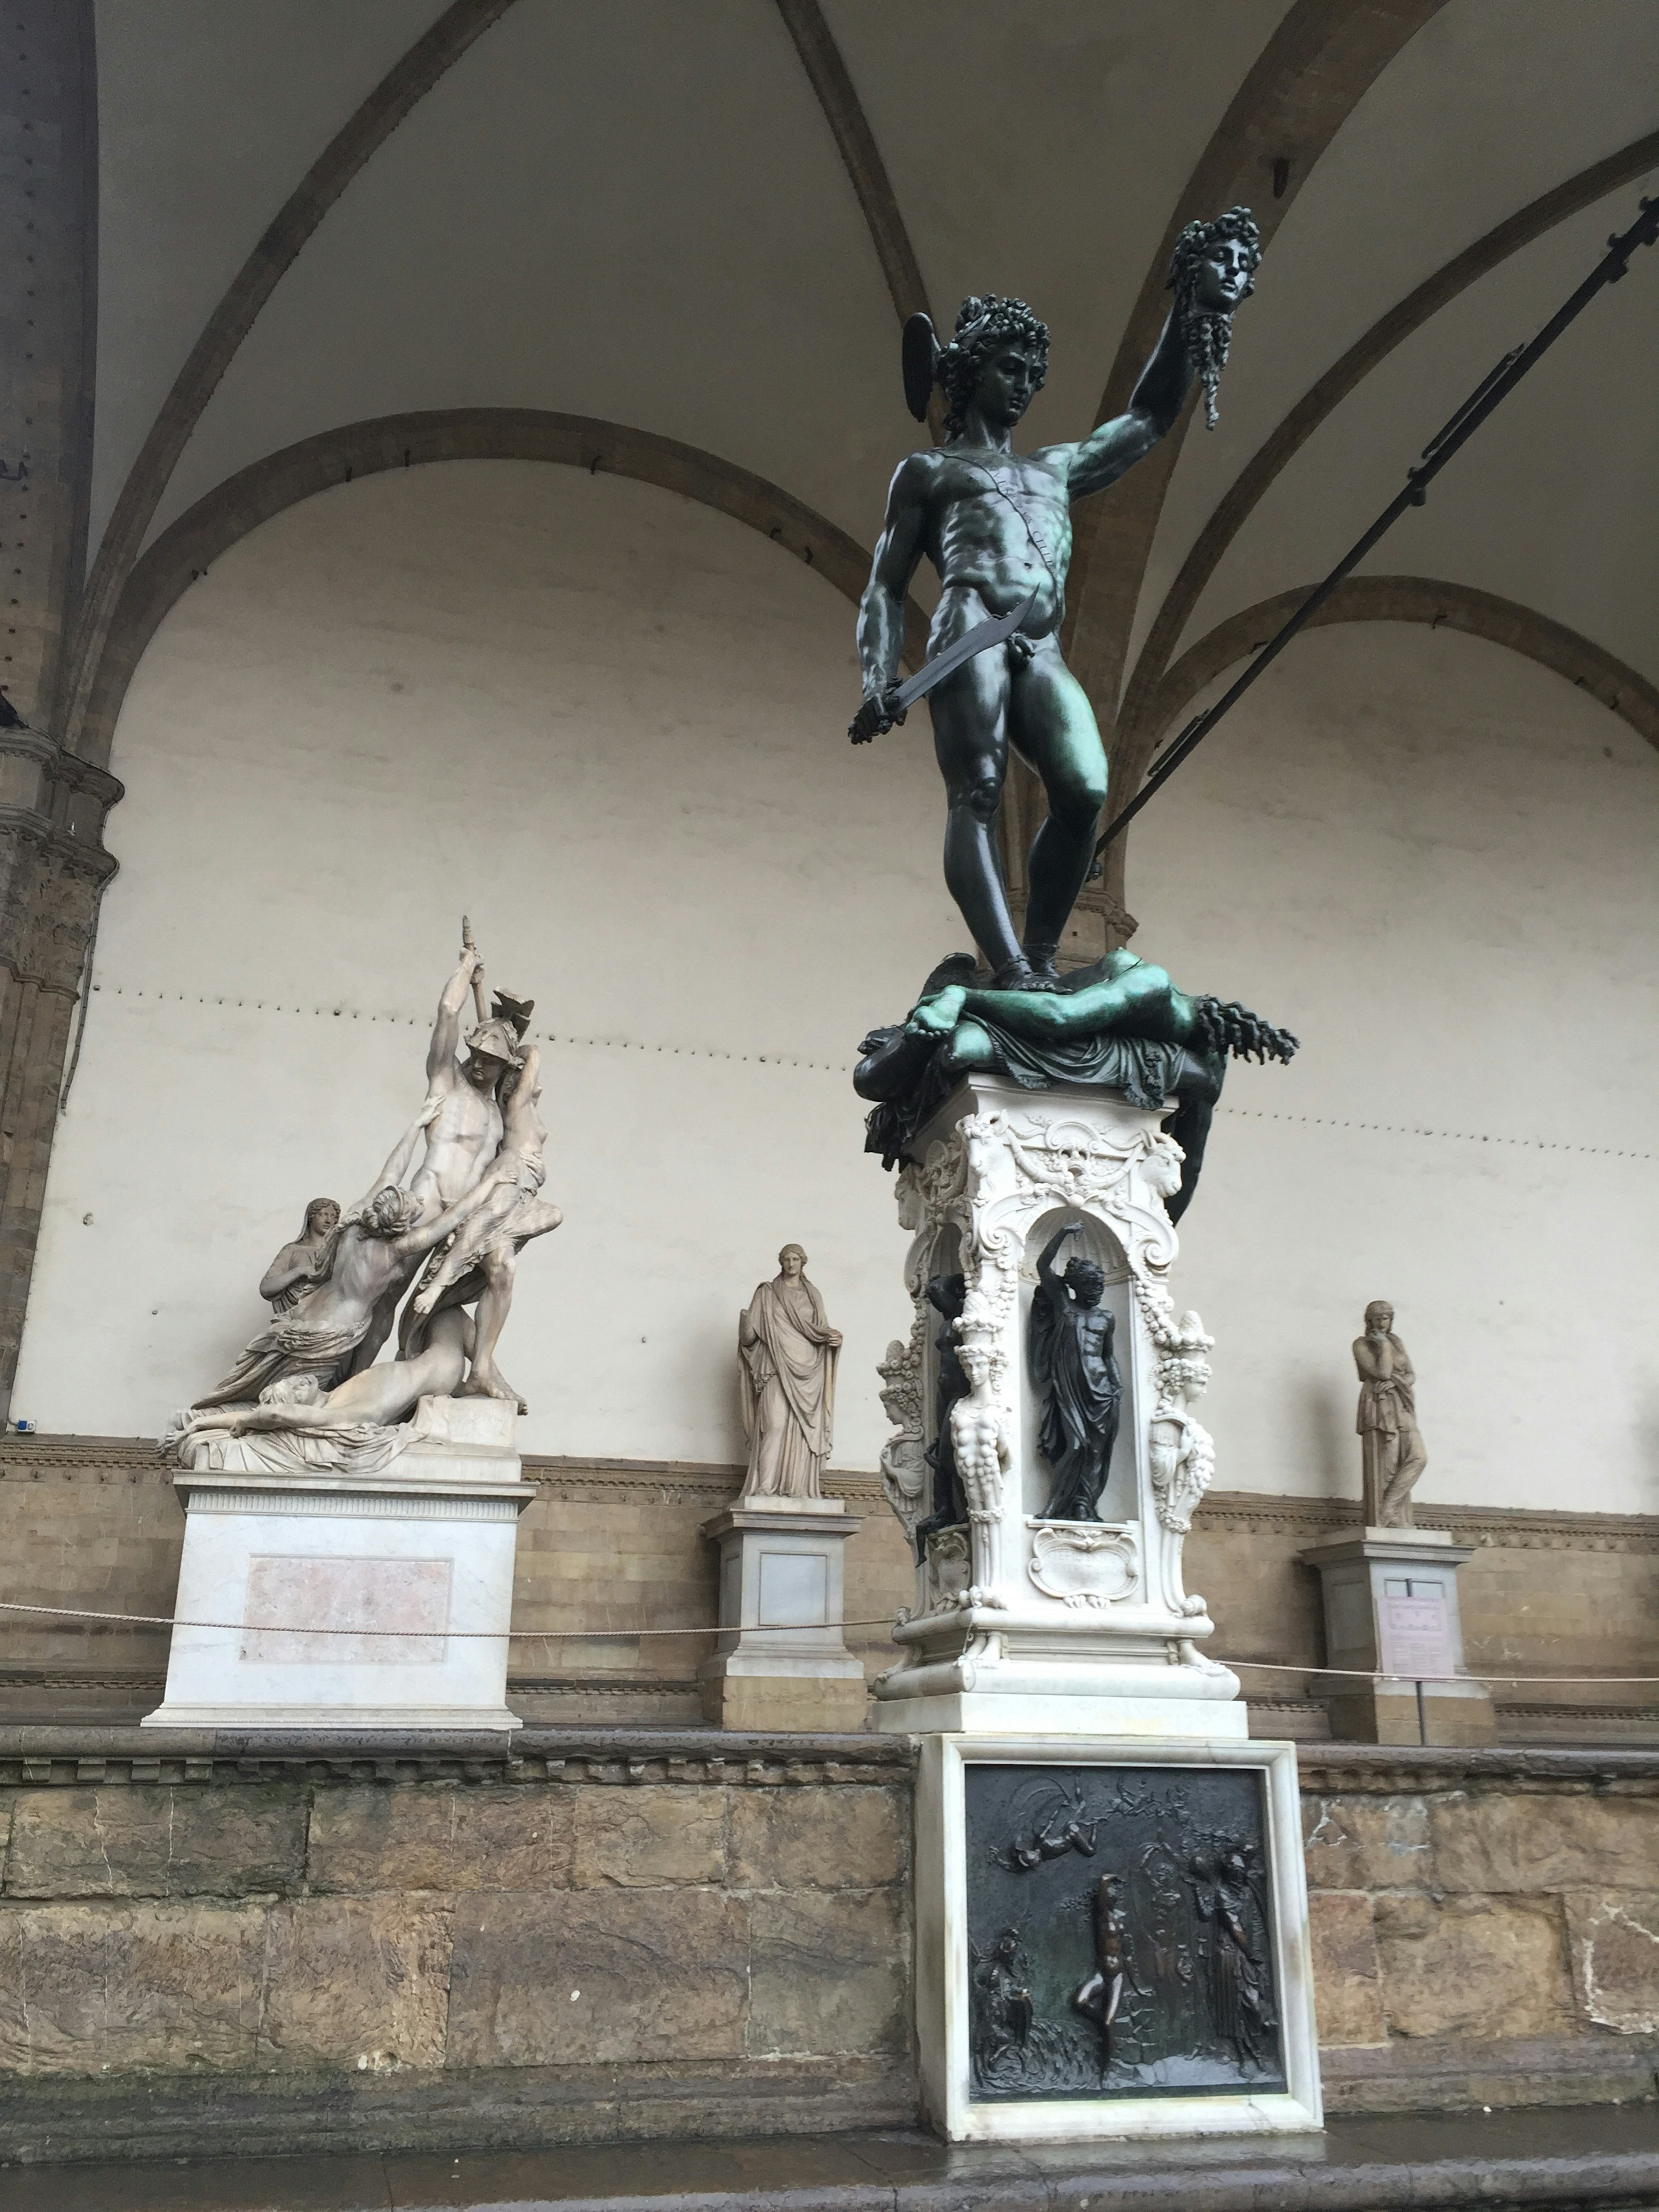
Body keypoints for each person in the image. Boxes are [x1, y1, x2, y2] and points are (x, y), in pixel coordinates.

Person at [849, 213, 1260, 986]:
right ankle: (1008, 966)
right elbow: (883, 586)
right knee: (976, 791)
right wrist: (877, 676)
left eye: (1034, 375)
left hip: (1040, 643)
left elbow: (1146, 420)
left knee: (1086, 792)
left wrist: (1189, 307)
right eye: (1012, 368)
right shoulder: (930, 473)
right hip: (971, 626)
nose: (1026, 386)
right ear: (973, 371)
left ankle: (1041, 956)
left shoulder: (1054, 471)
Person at [854, 946, 1296, 1217]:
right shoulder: (1151, 985)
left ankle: (938, 1016)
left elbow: (1193, 1157)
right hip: (1023, 1013)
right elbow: (1059, 1016)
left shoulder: (1184, 1044)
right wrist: (960, 996)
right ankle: (952, 1000)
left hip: (1028, 1024)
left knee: (957, 1050)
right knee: (956, 1048)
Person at [1030, 1223, 1122, 1522]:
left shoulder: (1106, 1318)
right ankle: (1054, 1506)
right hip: (1070, 1389)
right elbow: (1042, 1266)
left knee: (1095, 1453)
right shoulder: (1064, 1307)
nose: (1097, 1293)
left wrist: (1117, 1387)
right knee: (1075, 1445)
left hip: (1102, 1393)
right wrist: (1061, 1233)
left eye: (1101, 1288)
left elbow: (1109, 1357)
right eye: (1092, 1288)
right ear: (1078, 1287)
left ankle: (1085, 1506)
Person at [737, 1245, 842, 1500]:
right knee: (774, 1424)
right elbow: (750, 1339)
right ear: (781, 1263)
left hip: (809, 1371)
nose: (791, 1264)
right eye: (787, 1259)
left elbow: (822, 1330)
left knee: (801, 1430)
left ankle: (797, 1488)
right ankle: (765, 1486)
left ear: (803, 1262)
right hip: (776, 1365)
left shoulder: (812, 1294)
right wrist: (745, 1323)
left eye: (796, 1259)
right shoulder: (767, 1293)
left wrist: (835, 1339)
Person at [1353, 1301, 1427, 1526]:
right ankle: (1387, 1516)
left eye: (1386, 1318)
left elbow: (1411, 1375)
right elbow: (1382, 1373)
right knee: (1388, 1465)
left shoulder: (1397, 1341)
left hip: (1401, 1402)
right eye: (1377, 1319)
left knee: (1419, 1457)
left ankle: (1389, 1508)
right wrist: (1383, 1346)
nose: (1382, 1323)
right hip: (1379, 1404)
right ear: (1370, 1321)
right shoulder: (1361, 1345)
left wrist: (1398, 1383)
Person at [257, 1198, 340, 1313]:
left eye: (334, 1217)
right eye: (324, 1215)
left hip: (332, 1318)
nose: (329, 1221)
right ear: (311, 1218)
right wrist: (300, 1271)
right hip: (296, 1320)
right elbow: (267, 1288)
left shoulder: (339, 1253)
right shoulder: (293, 1250)